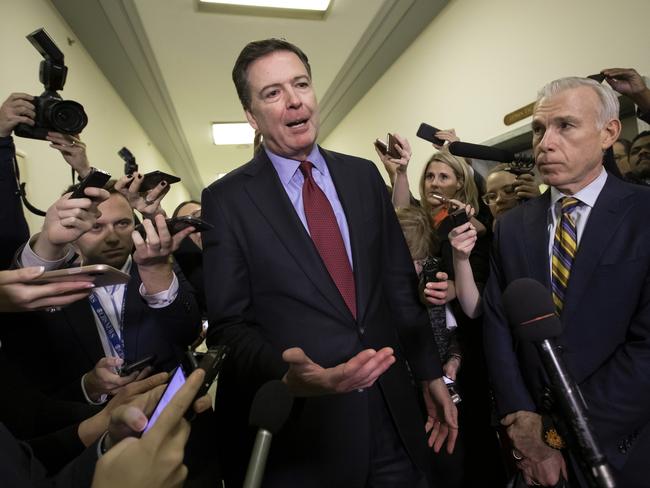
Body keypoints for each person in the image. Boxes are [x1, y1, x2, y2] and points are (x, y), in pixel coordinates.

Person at [202, 38, 457, 487]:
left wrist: (429, 373)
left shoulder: (363, 176)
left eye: (301, 84)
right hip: (306, 438)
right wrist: (293, 373)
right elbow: (230, 328)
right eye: (273, 92)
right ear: (251, 116)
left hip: (393, 420)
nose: (295, 99)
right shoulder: (227, 200)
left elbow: (398, 288)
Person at [483, 76, 650, 487]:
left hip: (626, 446)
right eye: (539, 129)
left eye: (566, 126)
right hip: (533, 449)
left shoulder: (644, 214)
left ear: (609, 132)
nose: (545, 142)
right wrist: (524, 426)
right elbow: (498, 328)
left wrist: (556, 434)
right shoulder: (511, 227)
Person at [4, 182, 201, 403]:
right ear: (73, 230)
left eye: (123, 223)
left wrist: (156, 272)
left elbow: (188, 333)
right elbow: (22, 341)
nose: (112, 237)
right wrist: (87, 387)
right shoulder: (53, 284)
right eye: (97, 227)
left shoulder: (159, 265)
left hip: (164, 406)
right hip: (81, 422)